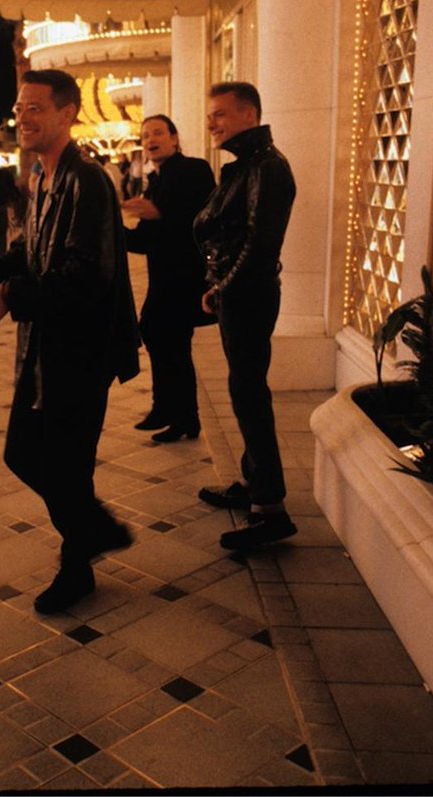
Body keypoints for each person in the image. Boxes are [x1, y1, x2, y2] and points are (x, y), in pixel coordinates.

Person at [0, 69, 140, 614]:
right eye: (20, 109)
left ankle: (84, 551)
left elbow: (88, 276)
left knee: (61, 463)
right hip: (46, 350)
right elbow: (36, 256)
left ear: (67, 114)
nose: (24, 118)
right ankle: (88, 539)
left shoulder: (86, 183)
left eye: (36, 108)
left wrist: (11, 295)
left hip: (80, 352)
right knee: (30, 454)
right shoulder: (40, 179)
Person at [193, 81, 298, 550]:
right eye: (210, 115)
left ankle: (269, 508)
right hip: (239, 293)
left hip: (248, 296)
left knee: (249, 394)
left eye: (220, 114)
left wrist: (220, 288)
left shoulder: (267, 168)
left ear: (250, 115)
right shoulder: (244, 167)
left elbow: (259, 247)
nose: (211, 123)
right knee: (244, 390)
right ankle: (254, 484)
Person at [122, 114, 216, 443]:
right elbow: (145, 241)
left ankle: (170, 410)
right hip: (165, 280)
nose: (151, 139)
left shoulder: (195, 169)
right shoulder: (155, 183)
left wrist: (159, 214)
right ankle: (182, 417)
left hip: (188, 279)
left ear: (174, 138)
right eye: (145, 135)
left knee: (162, 334)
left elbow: (204, 220)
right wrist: (111, 229)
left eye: (158, 132)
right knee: (169, 342)